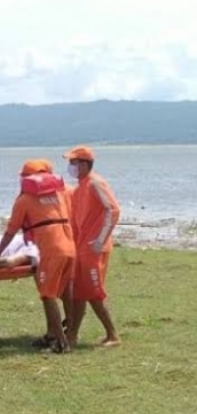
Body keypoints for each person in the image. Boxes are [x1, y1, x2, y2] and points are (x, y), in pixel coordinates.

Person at [0, 159, 76, 353]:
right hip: (69, 247)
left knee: (47, 295)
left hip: (50, 251)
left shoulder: (24, 200)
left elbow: (11, 231)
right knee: (63, 291)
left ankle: (62, 345)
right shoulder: (62, 194)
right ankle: (56, 335)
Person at [63, 146, 121, 348]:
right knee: (79, 292)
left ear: (84, 164)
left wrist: (100, 240)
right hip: (82, 247)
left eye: (73, 163)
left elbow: (112, 210)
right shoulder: (80, 187)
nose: (70, 167)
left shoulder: (95, 183)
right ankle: (72, 334)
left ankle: (112, 334)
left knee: (93, 292)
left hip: (94, 248)